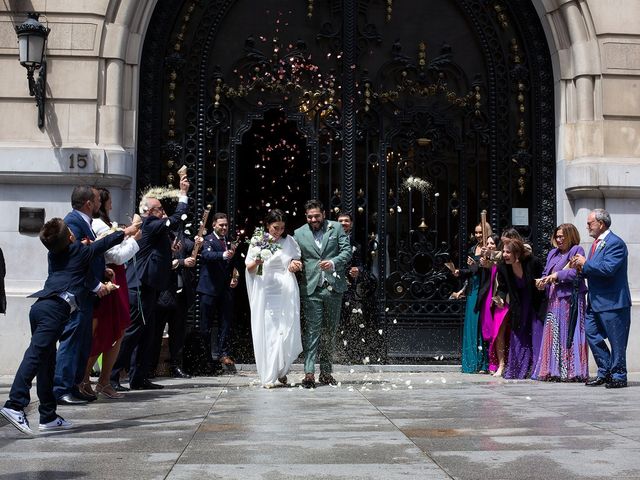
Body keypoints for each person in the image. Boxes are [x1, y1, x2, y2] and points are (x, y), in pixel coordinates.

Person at [0, 217, 135, 435]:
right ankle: (15, 404)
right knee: (35, 355)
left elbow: (76, 262)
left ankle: (48, 415)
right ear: (70, 237)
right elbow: (105, 243)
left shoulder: (54, 254)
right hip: (54, 310)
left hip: (40, 308)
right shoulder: (79, 252)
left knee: (47, 363)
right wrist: (127, 230)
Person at [110, 176, 191, 390]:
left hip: (151, 286)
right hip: (140, 285)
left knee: (147, 332)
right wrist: (183, 195)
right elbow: (176, 219)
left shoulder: (156, 227)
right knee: (134, 331)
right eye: (159, 209)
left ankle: (139, 377)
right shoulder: (149, 224)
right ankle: (112, 376)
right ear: (148, 211)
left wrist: (169, 250)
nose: (162, 212)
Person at [80, 188, 141, 399]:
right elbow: (116, 256)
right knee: (106, 332)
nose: (110, 204)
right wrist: (134, 239)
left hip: (117, 278)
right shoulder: (97, 225)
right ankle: (87, 379)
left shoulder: (106, 223)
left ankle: (101, 380)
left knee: (117, 331)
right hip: (111, 278)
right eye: (107, 200)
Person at [54, 185, 111, 405]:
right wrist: (96, 284)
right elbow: (74, 260)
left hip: (86, 295)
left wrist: (101, 270)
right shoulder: (72, 224)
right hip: (76, 293)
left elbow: (87, 256)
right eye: (97, 200)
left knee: (83, 342)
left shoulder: (84, 223)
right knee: (72, 341)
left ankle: (75, 385)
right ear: (88, 203)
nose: (100, 204)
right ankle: (61, 388)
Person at [290, 199, 351, 388]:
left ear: (323, 214)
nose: (314, 219)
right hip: (311, 288)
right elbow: (294, 255)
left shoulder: (336, 228)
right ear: (306, 217)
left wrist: (333, 263)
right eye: (310, 217)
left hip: (333, 288)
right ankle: (309, 373)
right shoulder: (299, 233)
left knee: (330, 332)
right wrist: (294, 263)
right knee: (312, 331)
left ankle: (326, 372)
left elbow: (347, 251)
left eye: (317, 216)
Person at [570, 209, 631, 388]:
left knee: (617, 342)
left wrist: (585, 264)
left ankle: (619, 376)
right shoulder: (596, 244)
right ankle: (605, 370)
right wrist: (579, 269)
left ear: (601, 224)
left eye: (590, 223)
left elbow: (608, 269)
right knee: (591, 334)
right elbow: (593, 270)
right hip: (595, 302)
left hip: (613, 303)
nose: (587, 226)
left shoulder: (616, 243)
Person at [245, 209, 302, 387]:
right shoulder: (258, 240)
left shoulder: (290, 241)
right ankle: (269, 373)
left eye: (282, 228)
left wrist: (294, 264)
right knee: (269, 330)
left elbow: (296, 260)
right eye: (275, 228)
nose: (278, 232)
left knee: (285, 328)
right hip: (266, 290)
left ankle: (281, 369)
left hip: (286, 289)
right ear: (267, 225)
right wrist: (259, 260)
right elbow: (249, 267)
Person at [533, 224, 588, 382]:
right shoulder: (552, 253)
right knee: (554, 334)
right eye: (557, 236)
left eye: (562, 236)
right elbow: (546, 272)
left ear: (570, 236)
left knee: (569, 333)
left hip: (570, 298)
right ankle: (553, 370)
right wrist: (542, 282)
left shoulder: (577, 250)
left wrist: (558, 275)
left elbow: (577, 272)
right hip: (553, 299)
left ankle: (572, 371)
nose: (559, 239)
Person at [197, 213, 240, 374]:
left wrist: (235, 277)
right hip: (209, 289)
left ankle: (224, 353)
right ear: (214, 224)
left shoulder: (229, 241)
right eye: (221, 225)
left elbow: (235, 263)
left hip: (225, 289)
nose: (224, 228)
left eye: (226, 225)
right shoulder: (207, 239)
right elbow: (206, 256)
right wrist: (223, 255)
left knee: (226, 322)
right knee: (206, 325)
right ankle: (206, 358)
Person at [150, 234, 198, 379]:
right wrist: (182, 262)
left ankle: (176, 366)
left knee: (178, 333)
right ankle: (150, 367)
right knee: (156, 333)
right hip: (163, 294)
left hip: (180, 294)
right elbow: (164, 263)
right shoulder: (158, 238)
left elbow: (191, 246)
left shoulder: (181, 237)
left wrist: (198, 242)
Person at [496, 238, 544, 379]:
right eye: (503, 251)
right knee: (518, 337)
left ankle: (537, 371)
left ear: (517, 253)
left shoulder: (532, 262)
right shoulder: (503, 267)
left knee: (536, 336)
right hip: (518, 305)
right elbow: (502, 287)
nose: (504, 255)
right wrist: (500, 298)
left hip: (535, 303)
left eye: (508, 252)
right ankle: (517, 370)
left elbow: (542, 279)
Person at [455, 221, 492, 373]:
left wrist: (480, 263)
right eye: (476, 233)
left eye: (480, 233)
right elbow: (471, 273)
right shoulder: (472, 249)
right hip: (472, 289)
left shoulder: (490, 249)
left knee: (481, 325)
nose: (477, 235)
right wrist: (461, 273)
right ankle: (471, 363)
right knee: (471, 326)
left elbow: (491, 271)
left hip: (484, 289)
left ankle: (483, 364)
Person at [477, 234, 509, 375]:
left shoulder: (504, 258)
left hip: (504, 299)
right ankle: (494, 363)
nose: (489, 245)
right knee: (494, 332)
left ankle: (502, 364)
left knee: (500, 333)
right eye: (488, 243)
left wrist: (488, 254)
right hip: (492, 298)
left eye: (492, 243)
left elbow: (498, 258)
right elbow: (488, 265)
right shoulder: (492, 260)